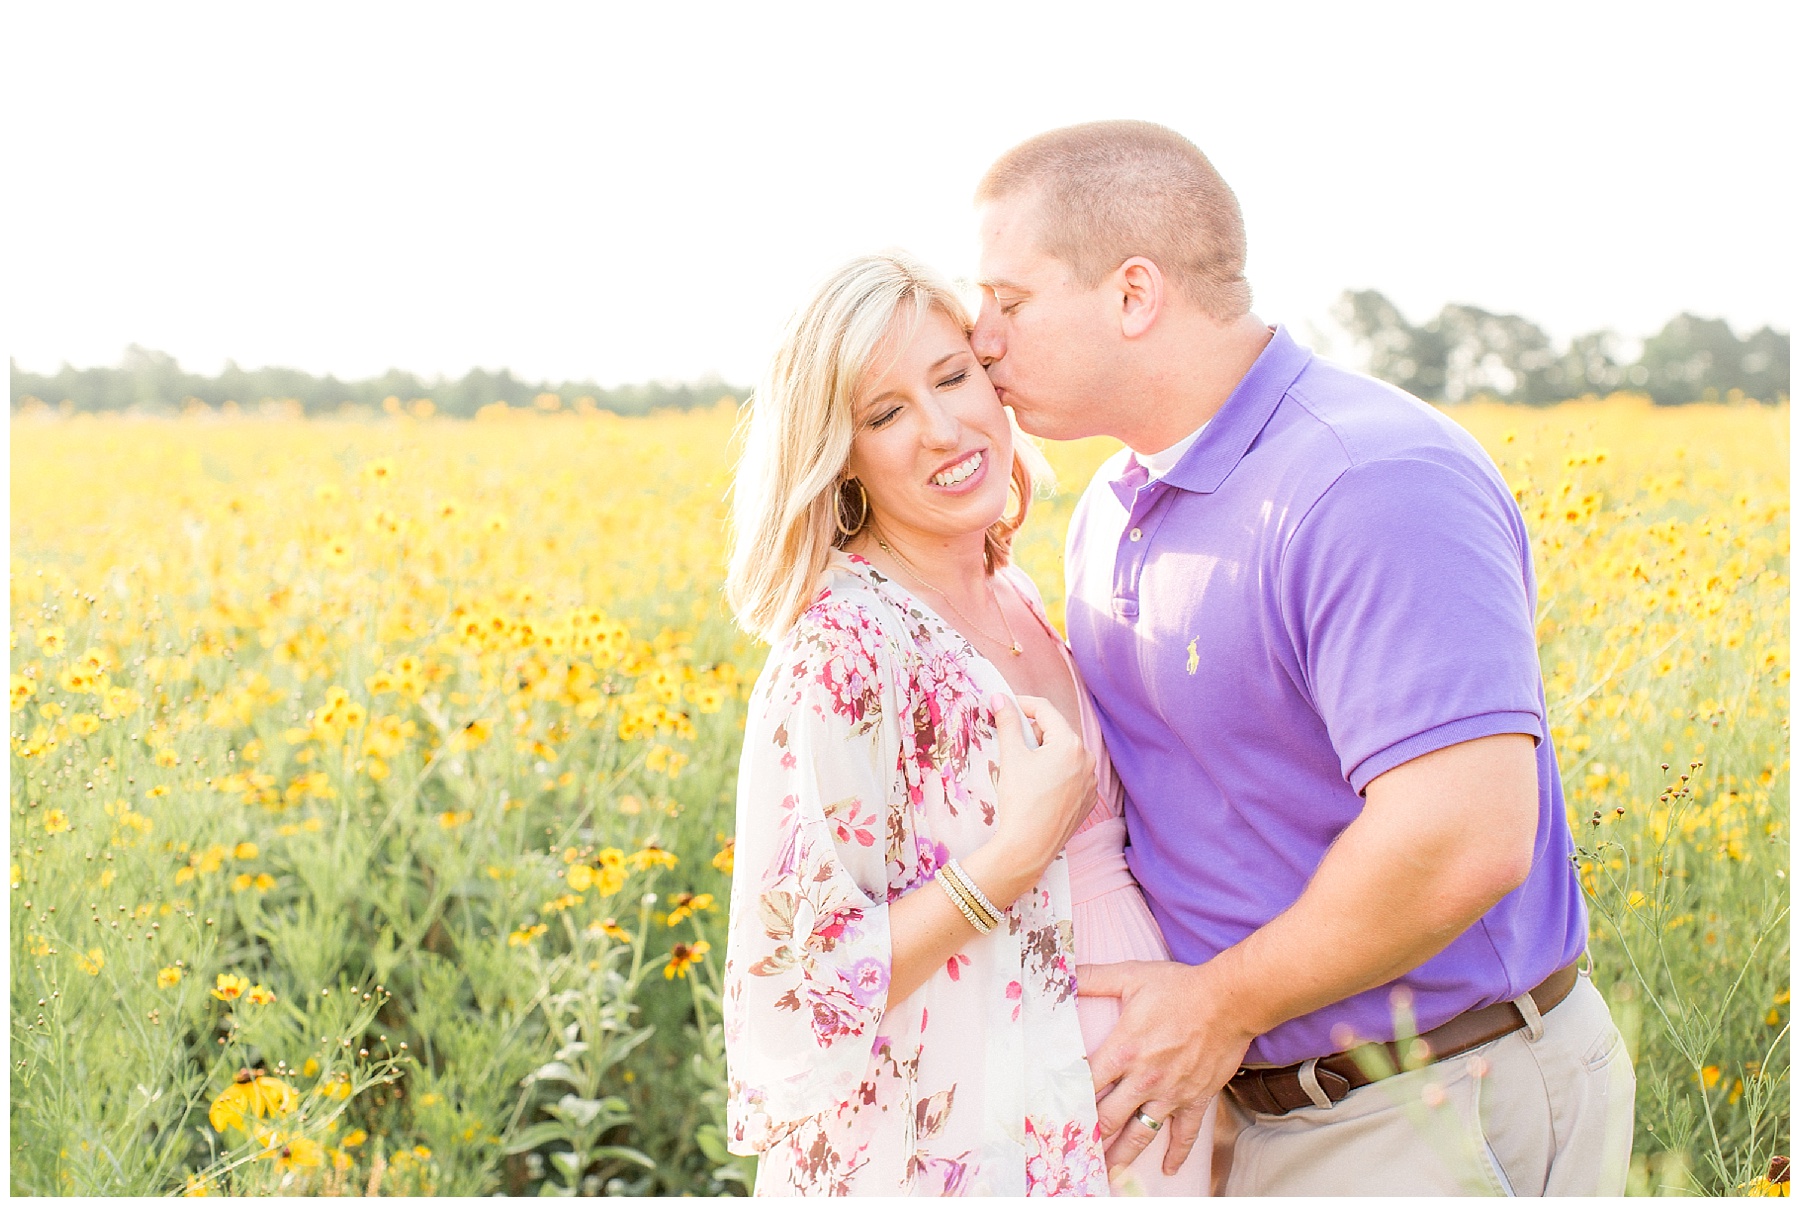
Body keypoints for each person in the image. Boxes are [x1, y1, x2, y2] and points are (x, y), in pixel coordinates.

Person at [969, 120, 1635, 1196]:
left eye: (1009, 301)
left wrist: (1219, 1007)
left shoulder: (1366, 481)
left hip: (1429, 1099)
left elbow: (1464, 835)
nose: (982, 338)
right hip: (1248, 1111)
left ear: (1133, 295)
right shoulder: (1110, 508)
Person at [720, 252, 1213, 1195]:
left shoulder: (1017, 591)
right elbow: (798, 986)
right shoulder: (846, 648)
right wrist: (1011, 859)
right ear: (840, 453)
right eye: (886, 412)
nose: (944, 427)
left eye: (953, 377)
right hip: (956, 1154)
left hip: (1123, 1125)